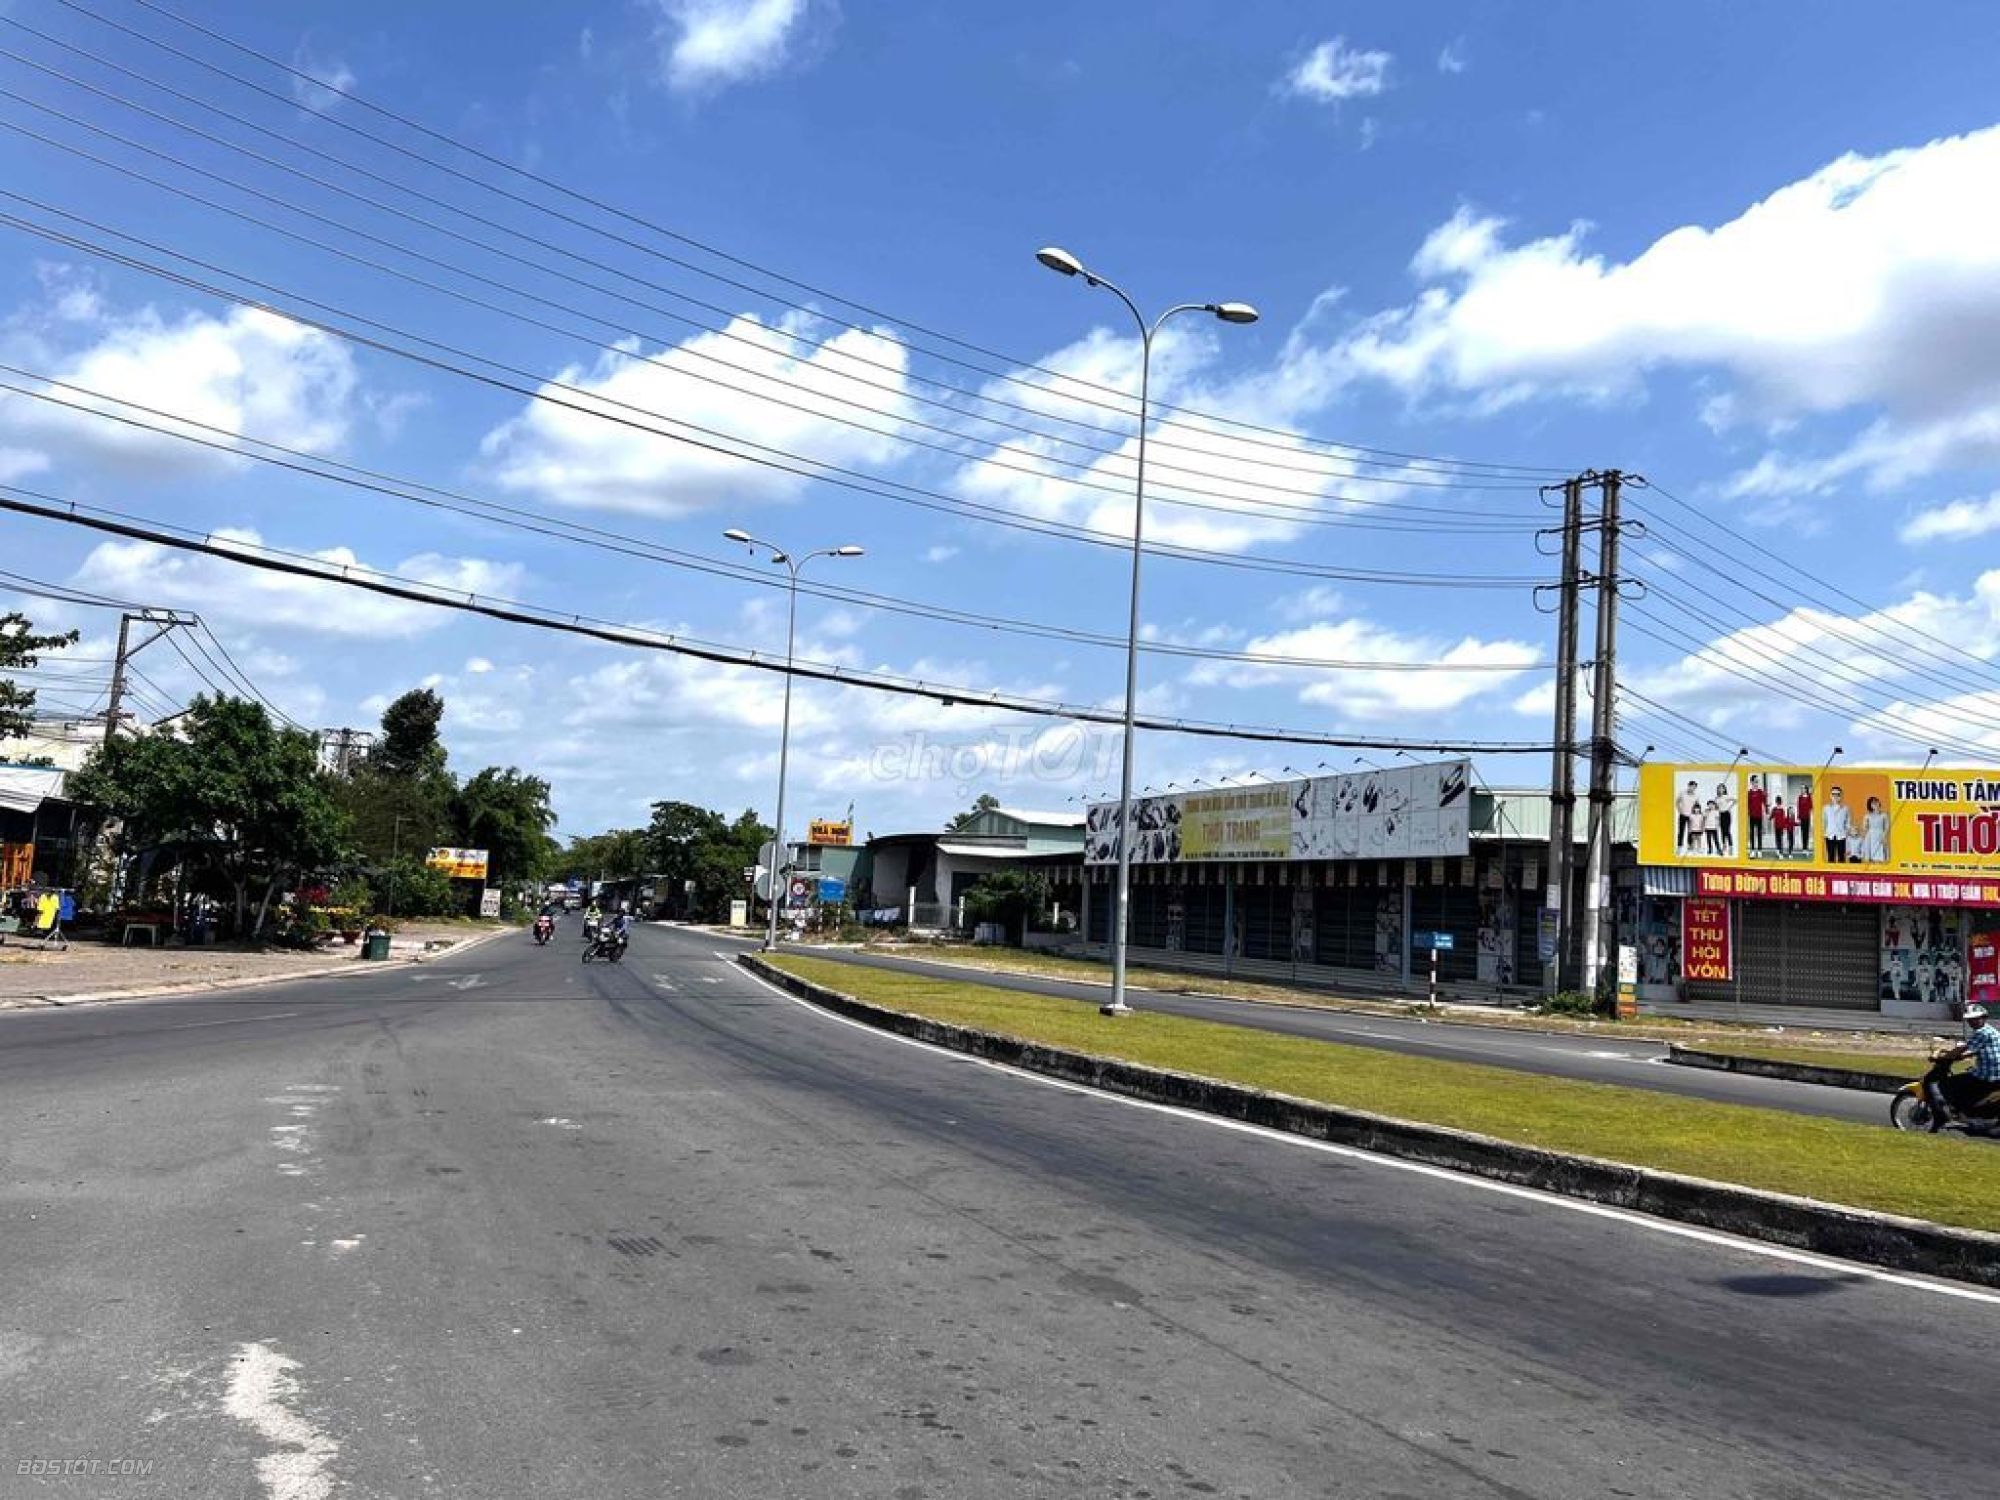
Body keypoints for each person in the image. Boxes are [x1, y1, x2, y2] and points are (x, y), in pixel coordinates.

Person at [1926, 1002, 2000, 1123]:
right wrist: (1958, 1055)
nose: (1972, 1022)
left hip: (1987, 1076)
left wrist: (1941, 1058)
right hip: (1993, 1073)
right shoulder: (1991, 1031)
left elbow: (1962, 1049)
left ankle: (1948, 1115)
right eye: (1970, 1019)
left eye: (1975, 1018)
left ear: (1983, 1018)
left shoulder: (1981, 1033)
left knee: (1946, 1084)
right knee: (1967, 1075)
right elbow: (1971, 1051)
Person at [1821, 784, 1852, 864]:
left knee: (1841, 858)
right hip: (1829, 835)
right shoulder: (1826, 808)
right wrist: (1824, 833)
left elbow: (1848, 822)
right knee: (1830, 857)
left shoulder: (1846, 809)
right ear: (1830, 796)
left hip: (1841, 836)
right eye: (1833, 794)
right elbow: (1824, 821)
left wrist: (1846, 833)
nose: (1835, 796)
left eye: (1838, 794)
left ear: (1841, 796)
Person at [1860, 795, 1889, 863]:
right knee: (1871, 855)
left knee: (1880, 855)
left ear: (1879, 803)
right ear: (1870, 806)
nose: (1875, 804)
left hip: (1880, 834)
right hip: (1870, 836)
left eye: (1876, 802)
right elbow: (1864, 828)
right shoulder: (1867, 816)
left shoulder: (1884, 815)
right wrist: (1865, 827)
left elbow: (1887, 827)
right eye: (1872, 803)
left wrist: (1884, 836)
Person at [1676, 779, 1701, 853]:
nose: (1692, 788)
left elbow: (1697, 806)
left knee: (1690, 831)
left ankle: (1690, 846)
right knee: (1681, 831)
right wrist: (1679, 810)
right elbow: (1677, 802)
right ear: (1688, 786)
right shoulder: (1682, 793)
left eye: (1694, 787)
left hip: (1691, 816)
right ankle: (1679, 846)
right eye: (1691, 786)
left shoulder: (1696, 796)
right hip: (1683, 815)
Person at [1714, 781, 1736, 857]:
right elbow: (1716, 807)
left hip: (1726, 814)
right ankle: (1724, 846)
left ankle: (1731, 847)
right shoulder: (1716, 798)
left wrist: (1729, 807)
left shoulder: (1726, 796)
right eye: (1719, 788)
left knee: (1727, 831)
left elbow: (1735, 800)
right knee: (1722, 831)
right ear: (1717, 789)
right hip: (1720, 815)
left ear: (1724, 789)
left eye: (1722, 788)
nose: (1720, 789)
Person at [1746, 774, 1767, 853]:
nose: (1757, 783)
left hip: (1759, 815)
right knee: (1752, 833)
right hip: (1752, 816)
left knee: (1759, 833)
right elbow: (1747, 805)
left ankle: (1759, 850)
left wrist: (1764, 815)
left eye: (1758, 782)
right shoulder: (1749, 793)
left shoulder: (1761, 792)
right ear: (1751, 782)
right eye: (1755, 781)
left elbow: (1764, 804)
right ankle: (1752, 850)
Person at [1795, 782, 1814, 853]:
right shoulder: (1799, 797)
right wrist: (1798, 818)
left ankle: (1806, 847)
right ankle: (1804, 848)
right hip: (1801, 817)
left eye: (1803, 788)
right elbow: (1798, 807)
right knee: (1803, 832)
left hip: (1807, 817)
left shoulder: (1809, 797)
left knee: (1807, 832)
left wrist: (1811, 816)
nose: (1802, 789)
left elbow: (1811, 807)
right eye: (1801, 788)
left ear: (1806, 789)